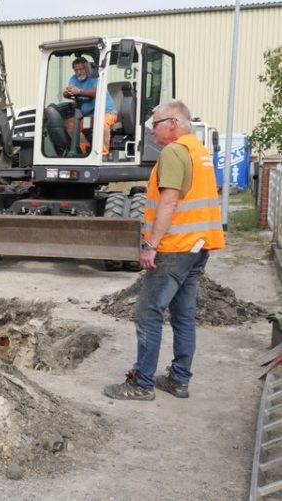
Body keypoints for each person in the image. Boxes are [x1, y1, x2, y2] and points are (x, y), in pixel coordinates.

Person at [103, 100, 225, 400]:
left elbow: (168, 203)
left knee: (148, 314)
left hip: (174, 248)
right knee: (183, 316)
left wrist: (151, 246)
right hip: (198, 247)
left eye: (155, 124)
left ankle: (142, 383)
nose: (151, 131)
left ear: (173, 122)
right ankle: (179, 380)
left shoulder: (174, 152)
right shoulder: (199, 152)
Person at [63, 57, 118, 155]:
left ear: (87, 68)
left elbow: (97, 91)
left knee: (102, 123)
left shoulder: (95, 77)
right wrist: (67, 92)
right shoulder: (74, 78)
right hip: (90, 117)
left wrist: (79, 91)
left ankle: (103, 154)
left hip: (107, 113)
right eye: (76, 70)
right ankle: (85, 151)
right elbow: (68, 91)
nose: (79, 72)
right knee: (71, 124)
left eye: (81, 69)